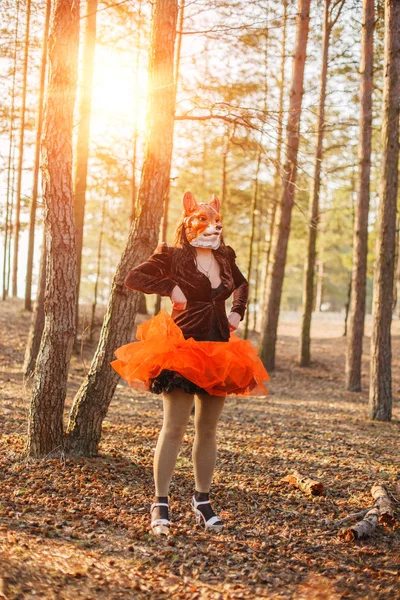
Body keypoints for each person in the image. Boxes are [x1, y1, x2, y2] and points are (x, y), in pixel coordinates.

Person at [111, 191, 269, 535]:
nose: (212, 227)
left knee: (208, 430)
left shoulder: (224, 255)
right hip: (181, 350)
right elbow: (133, 278)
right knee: (174, 428)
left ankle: (202, 500)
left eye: (216, 223)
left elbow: (241, 286)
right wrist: (170, 287)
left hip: (220, 351)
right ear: (188, 222)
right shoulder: (171, 255)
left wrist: (237, 311)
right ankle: (160, 503)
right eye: (204, 220)